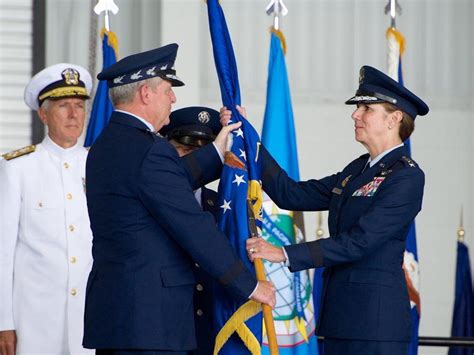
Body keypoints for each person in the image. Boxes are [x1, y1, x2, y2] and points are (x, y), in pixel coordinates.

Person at [222, 65, 429, 355]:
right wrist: (249, 137)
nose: (355, 115)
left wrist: (283, 253)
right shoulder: (358, 169)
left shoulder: (406, 177)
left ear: (394, 119)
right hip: (340, 319)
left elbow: (361, 241)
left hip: (374, 325)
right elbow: (289, 194)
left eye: (366, 109)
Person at [83, 44, 275, 355]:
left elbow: (161, 184)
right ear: (146, 93)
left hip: (119, 316)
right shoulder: (150, 150)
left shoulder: (108, 145)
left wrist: (216, 149)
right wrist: (249, 285)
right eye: (168, 89)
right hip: (151, 320)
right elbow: (193, 226)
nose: (173, 98)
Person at [0, 63, 94, 355]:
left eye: (79, 106)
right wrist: (4, 322)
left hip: (89, 318)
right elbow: (3, 252)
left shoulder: (99, 165)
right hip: (35, 322)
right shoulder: (17, 167)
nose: (73, 114)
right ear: (43, 113)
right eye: (63, 105)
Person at [160, 106, 222, 355]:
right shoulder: (154, 197)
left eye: (202, 154)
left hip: (210, 325)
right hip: (166, 324)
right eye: (185, 151)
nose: (196, 163)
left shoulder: (222, 204)